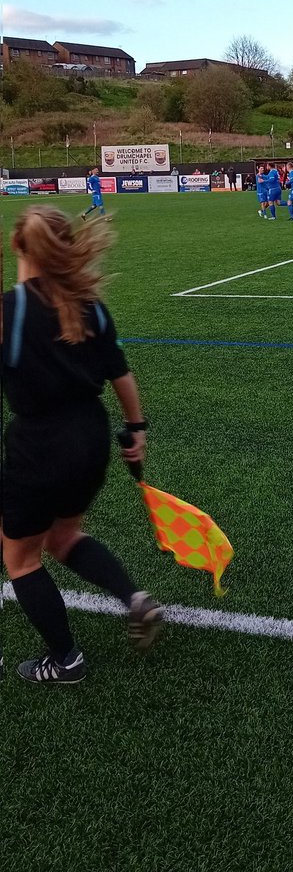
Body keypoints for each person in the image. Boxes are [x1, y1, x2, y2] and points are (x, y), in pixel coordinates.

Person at [1, 205, 162, 685]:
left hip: (39, 446)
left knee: (20, 559)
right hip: (90, 439)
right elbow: (120, 373)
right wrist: (137, 429)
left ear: (17, 246)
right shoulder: (88, 304)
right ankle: (134, 599)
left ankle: (65, 660)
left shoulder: (10, 310)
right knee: (63, 535)